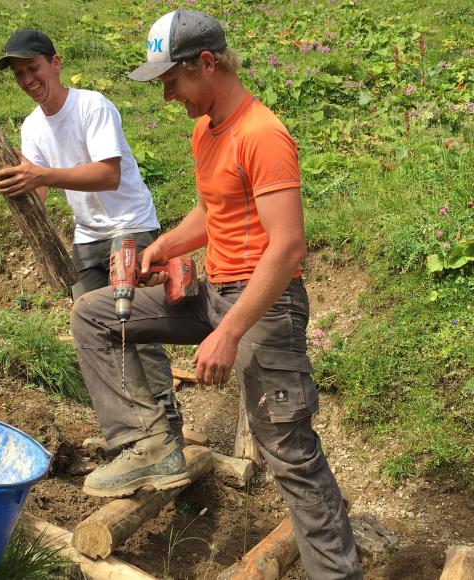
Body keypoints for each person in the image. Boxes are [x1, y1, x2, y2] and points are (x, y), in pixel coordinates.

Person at [71, 10, 362, 578]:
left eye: (171, 81)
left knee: (290, 456)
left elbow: (288, 247)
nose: (167, 95)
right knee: (96, 315)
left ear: (207, 63)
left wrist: (229, 331)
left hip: (265, 308)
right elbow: (212, 212)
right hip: (214, 293)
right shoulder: (206, 131)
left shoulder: (263, 135)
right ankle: (150, 443)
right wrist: (164, 249)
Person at [0, 28, 181, 438]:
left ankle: (168, 425)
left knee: (135, 325)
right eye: (18, 74)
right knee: (93, 329)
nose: (28, 80)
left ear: (56, 63)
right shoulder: (32, 127)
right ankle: (135, 430)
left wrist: (40, 172)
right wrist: (2, 174)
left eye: (33, 68)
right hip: (88, 237)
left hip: (131, 227)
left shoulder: (92, 106)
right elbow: (41, 194)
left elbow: (108, 174)